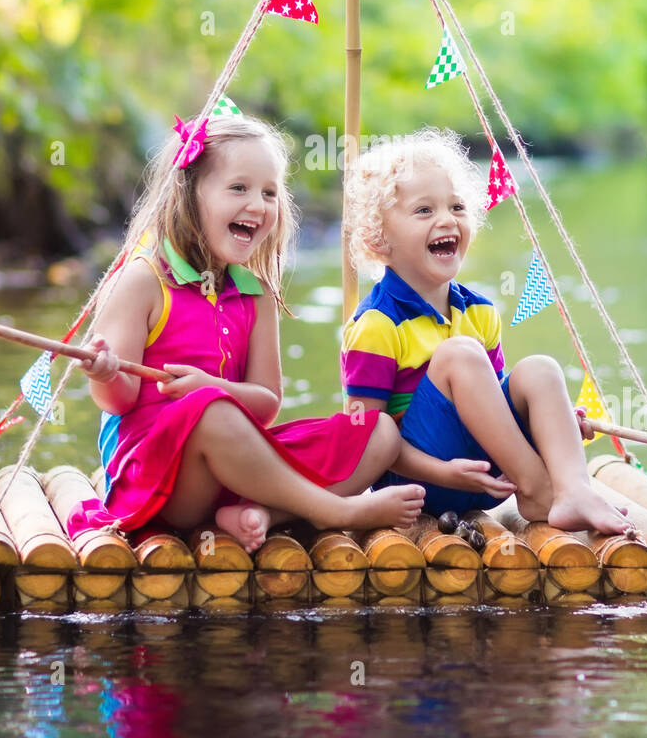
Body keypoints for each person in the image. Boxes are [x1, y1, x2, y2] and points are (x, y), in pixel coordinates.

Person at [67, 112, 424, 553]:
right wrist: (104, 375)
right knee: (209, 410)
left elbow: (267, 405)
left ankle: (263, 514)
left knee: (378, 432)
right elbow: (118, 401)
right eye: (239, 188)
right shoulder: (143, 281)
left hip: (237, 471)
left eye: (270, 192)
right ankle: (334, 510)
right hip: (162, 483)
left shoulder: (254, 294)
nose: (257, 204)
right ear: (188, 194)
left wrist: (214, 388)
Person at [340, 125, 630, 535]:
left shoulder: (480, 312)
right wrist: (444, 471)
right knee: (461, 355)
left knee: (541, 370)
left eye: (457, 207)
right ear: (378, 238)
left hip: (490, 478)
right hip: (419, 484)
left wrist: (549, 423)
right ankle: (543, 489)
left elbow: (494, 412)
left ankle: (572, 486)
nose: (447, 220)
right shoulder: (376, 325)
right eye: (424, 211)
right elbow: (366, 441)